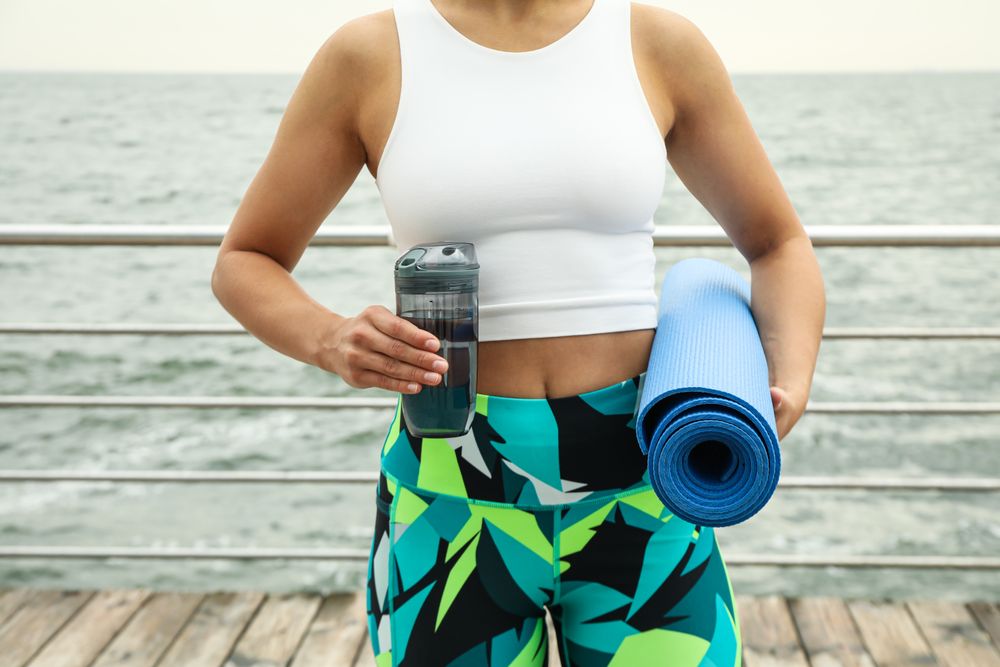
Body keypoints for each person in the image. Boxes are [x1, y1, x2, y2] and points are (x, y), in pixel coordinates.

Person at [210, 0, 825, 664]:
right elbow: (245, 260)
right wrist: (328, 338)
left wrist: (784, 380)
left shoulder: (656, 42)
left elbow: (777, 242)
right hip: (448, 491)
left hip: (645, 481)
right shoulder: (370, 55)